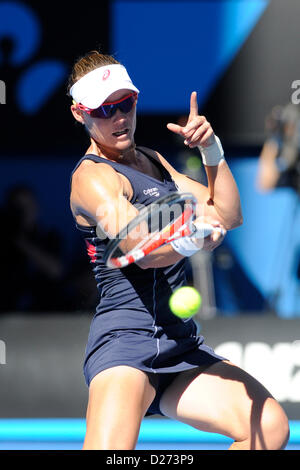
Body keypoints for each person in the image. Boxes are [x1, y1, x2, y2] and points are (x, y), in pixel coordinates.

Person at [68, 50, 289, 450]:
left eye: (125, 103)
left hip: (179, 341)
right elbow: (138, 248)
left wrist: (212, 151)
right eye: (103, 110)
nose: (118, 118)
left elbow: (227, 213)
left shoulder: (153, 161)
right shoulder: (92, 179)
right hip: (125, 341)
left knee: (269, 429)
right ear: (79, 114)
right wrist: (191, 238)